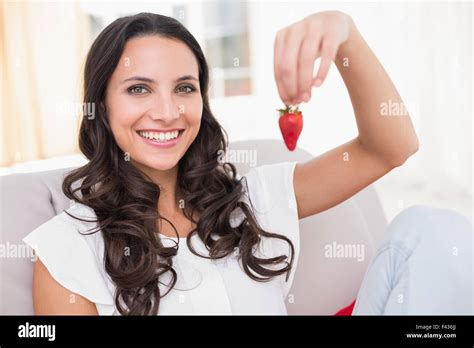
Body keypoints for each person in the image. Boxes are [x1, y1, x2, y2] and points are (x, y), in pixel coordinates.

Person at [26, 10, 463, 316]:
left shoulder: (250, 199)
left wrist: (343, 33)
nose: (166, 111)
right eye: (139, 89)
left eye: (184, 87)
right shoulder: (68, 250)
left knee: (428, 227)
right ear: (100, 106)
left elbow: (391, 146)